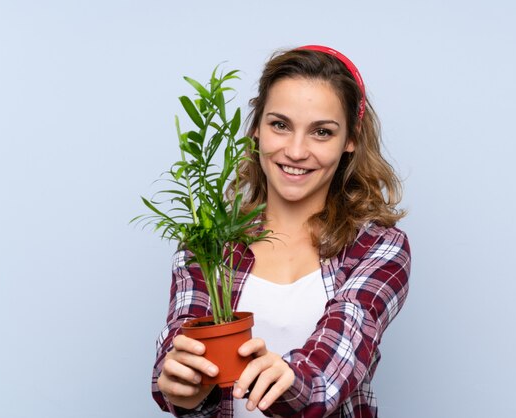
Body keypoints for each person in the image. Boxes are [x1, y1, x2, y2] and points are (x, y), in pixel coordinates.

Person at [151, 45, 411, 417]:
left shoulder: (378, 247)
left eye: (321, 132)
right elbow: (181, 340)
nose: (296, 150)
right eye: (280, 125)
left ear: (350, 140)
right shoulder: (207, 244)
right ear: (256, 129)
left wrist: (288, 377)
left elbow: (332, 370)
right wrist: (183, 384)